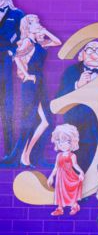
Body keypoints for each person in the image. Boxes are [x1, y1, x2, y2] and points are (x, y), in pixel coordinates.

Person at [3, 14, 61, 168]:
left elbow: (57, 42)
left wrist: (45, 31)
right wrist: (27, 74)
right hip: (31, 83)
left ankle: (25, 155)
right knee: (29, 119)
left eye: (38, 22)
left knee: (46, 121)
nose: (38, 24)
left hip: (40, 81)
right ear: (28, 27)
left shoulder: (39, 43)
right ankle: (21, 156)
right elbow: (17, 58)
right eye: (35, 23)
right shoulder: (27, 42)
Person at [56, 40, 98, 172]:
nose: (94, 54)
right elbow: (59, 98)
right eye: (89, 50)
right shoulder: (71, 71)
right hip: (81, 126)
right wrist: (77, 86)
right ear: (82, 55)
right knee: (81, 165)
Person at [0, 0, 24, 160]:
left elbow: (24, 36)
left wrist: (12, 51)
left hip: (6, 62)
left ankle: (9, 152)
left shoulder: (17, 14)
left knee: (6, 105)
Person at [47, 124, 84, 216]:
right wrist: (51, 177)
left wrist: (81, 172)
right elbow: (56, 167)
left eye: (65, 141)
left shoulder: (72, 155)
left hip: (69, 176)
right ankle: (60, 208)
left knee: (70, 191)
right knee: (60, 191)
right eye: (60, 142)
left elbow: (75, 165)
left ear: (72, 142)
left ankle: (74, 205)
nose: (62, 144)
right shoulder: (59, 155)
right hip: (60, 177)